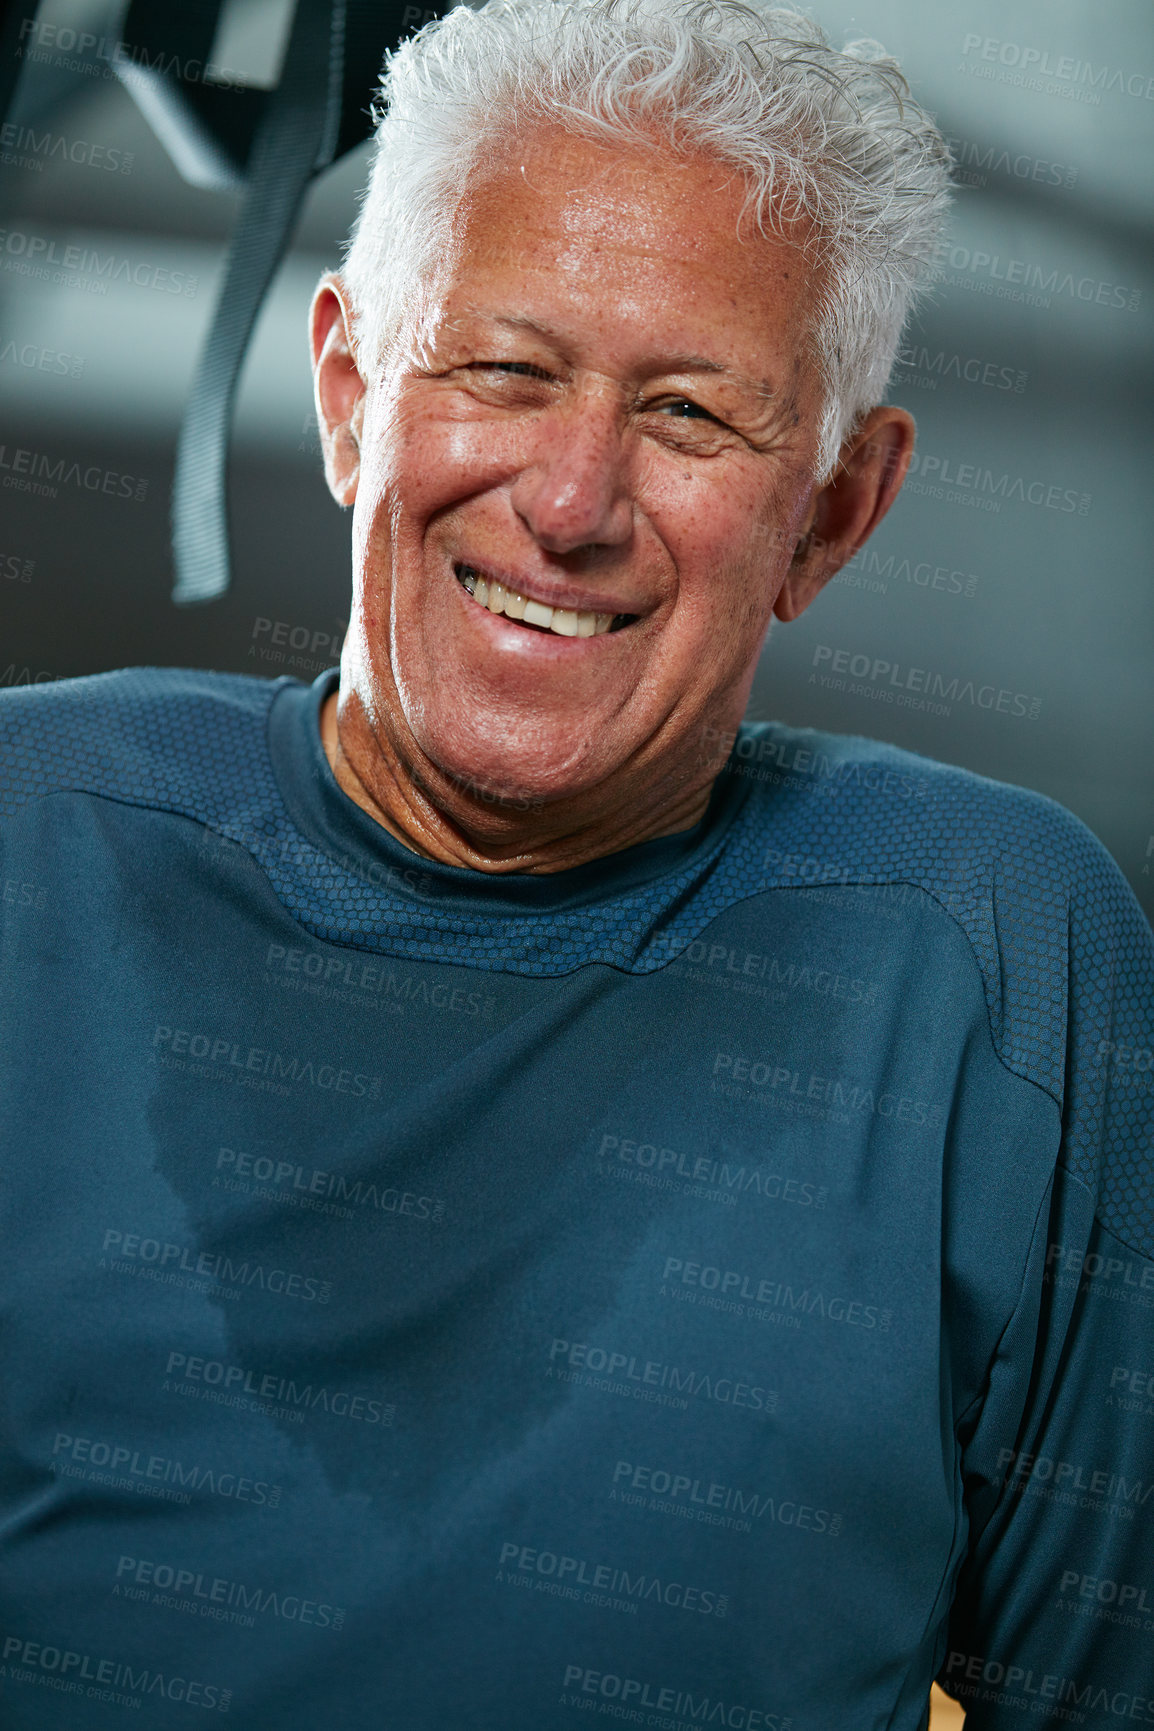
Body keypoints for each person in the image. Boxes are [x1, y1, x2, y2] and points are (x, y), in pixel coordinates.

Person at [0, 1, 1151, 1726]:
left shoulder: (994, 945)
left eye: (689, 414)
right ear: (346, 395)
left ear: (832, 513)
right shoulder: (33, 828)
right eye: (504, 371)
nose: (570, 501)